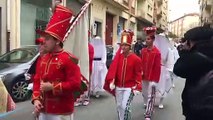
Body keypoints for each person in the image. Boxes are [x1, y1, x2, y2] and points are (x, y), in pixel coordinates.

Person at [32, 5, 81, 120]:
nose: (44, 42)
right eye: (44, 38)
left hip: (61, 112)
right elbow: (37, 80)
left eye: (47, 39)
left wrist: (53, 87)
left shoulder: (69, 59)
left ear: (57, 41)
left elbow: (75, 84)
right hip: (43, 110)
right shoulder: (43, 58)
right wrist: (36, 99)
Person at [173, 26, 213, 120]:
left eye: (186, 41)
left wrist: (184, 52)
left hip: (200, 109)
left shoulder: (197, 58)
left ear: (192, 42)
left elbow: (178, 69)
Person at [104, 29, 142, 120]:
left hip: (129, 87)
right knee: (119, 106)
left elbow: (138, 73)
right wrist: (112, 81)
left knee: (125, 107)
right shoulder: (118, 57)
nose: (123, 47)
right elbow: (113, 70)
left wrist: (137, 86)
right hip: (118, 86)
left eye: (126, 45)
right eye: (122, 45)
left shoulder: (136, 59)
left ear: (130, 46)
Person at [141, 27, 161, 109]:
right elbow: (141, 63)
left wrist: (155, 80)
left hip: (152, 77)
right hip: (144, 76)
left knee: (150, 94)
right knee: (145, 92)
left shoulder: (157, 52)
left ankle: (149, 111)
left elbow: (157, 67)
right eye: (146, 39)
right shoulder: (143, 50)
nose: (146, 41)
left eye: (148, 39)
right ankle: (146, 102)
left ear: (153, 40)